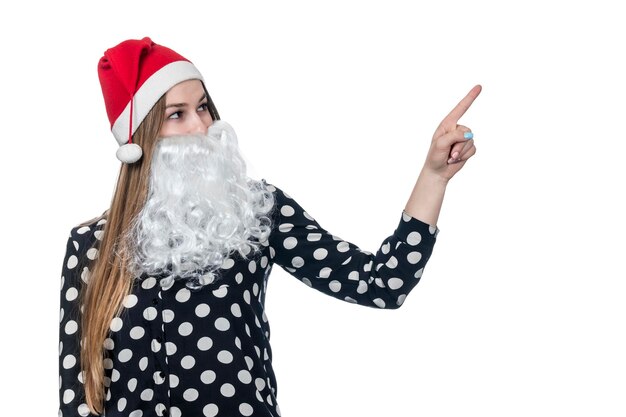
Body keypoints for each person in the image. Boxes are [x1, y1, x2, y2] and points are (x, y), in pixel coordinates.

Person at [58, 37, 480, 417]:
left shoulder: (255, 212)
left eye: (203, 106)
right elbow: (77, 397)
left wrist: (433, 176)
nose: (203, 127)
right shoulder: (89, 246)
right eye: (177, 114)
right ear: (138, 137)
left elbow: (382, 283)